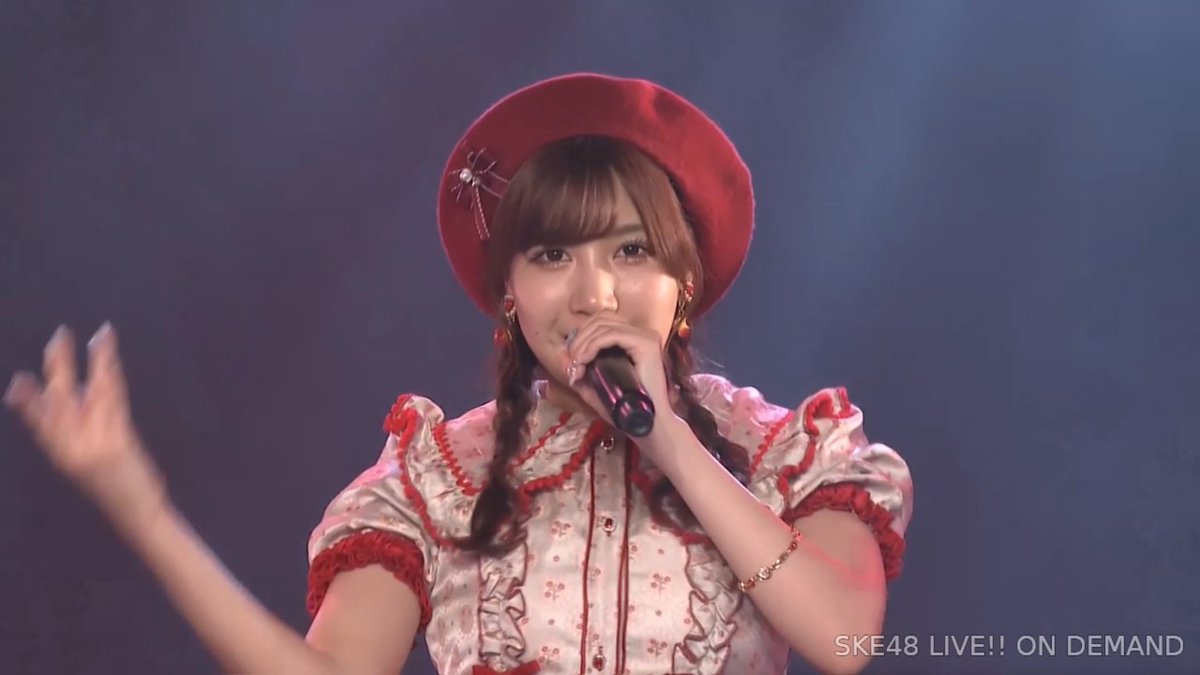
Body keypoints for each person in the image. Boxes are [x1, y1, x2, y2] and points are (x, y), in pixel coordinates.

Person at [5, 73, 913, 674]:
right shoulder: (438, 476)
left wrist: (666, 438)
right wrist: (146, 514)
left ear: (684, 284)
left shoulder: (784, 450)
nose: (593, 292)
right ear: (510, 292)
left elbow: (844, 638)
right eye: (553, 255)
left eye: (631, 251)